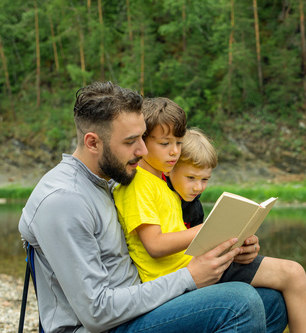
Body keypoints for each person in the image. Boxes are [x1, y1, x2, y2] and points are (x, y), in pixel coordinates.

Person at [18, 82, 287, 333]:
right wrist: (189, 278)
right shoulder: (64, 201)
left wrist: (230, 246)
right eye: (130, 142)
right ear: (92, 142)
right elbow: (96, 312)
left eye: (143, 139)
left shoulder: (107, 181)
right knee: (240, 302)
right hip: (102, 327)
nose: (143, 151)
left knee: (272, 302)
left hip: (136, 310)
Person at [113, 99, 306, 332]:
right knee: (290, 275)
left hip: (195, 266)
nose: (174, 151)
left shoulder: (162, 183)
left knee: (280, 292)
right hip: (176, 281)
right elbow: (155, 245)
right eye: (165, 143)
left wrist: (236, 242)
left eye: (178, 143)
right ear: (143, 141)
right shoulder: (138, 183)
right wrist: (206, 230)